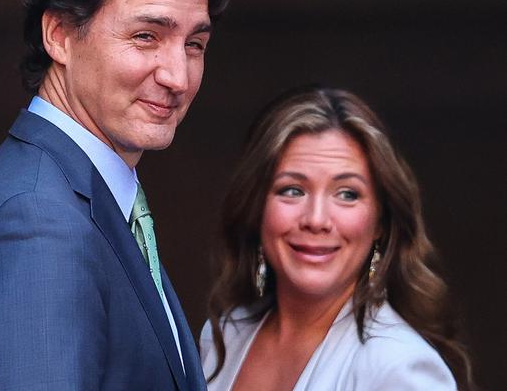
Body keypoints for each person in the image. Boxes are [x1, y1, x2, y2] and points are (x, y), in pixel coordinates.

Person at [0, 0, 230, 389]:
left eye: (194, 45)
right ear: (60, 35)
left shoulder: (71, 192)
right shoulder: (37, 219)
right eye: (145, 36)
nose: (177, 77)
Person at [200, 87, 473, 390]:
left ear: (381, 223)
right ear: (256, 208)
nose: (316, 220)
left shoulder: (398, 367)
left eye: (347, 194)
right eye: (292, 190)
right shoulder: (224, 337)